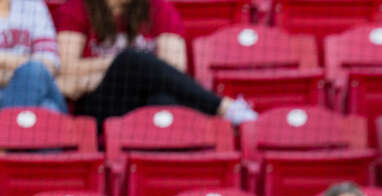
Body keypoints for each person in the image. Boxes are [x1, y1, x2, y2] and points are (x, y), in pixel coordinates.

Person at [55, 0, 256, 127]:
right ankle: (223, 107)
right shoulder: (76, 7)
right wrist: (120, 64)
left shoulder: (158, 7)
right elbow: (66, 66)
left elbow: (174, 68)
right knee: (130, 59)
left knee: (163, 101)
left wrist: (128, 70)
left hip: (144, 100)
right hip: (101, 105)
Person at [0, 0, 66, 112]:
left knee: (34, 70)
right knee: (48, 107)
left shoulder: (33, 5)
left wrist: (3, 60)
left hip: (39, 85)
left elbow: (48, 65)